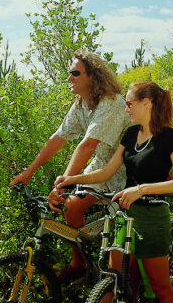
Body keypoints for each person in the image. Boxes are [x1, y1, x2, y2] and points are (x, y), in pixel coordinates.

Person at [55, 81, 173, 303]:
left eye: (130, 104)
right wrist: (71, 179)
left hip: (151, 218)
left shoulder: (171, 138)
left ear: (147, 103)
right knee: (113, 277)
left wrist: (141, 190)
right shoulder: (130, 135)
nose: (126, 109)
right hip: (121, 215)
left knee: (160, 288)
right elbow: (106, 172)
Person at [10, 50, 130, 283]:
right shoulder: (82, 104)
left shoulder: (111, 103)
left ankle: (127, 287)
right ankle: (81, 263)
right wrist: (29, 171)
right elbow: (58, 138)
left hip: (126, 170)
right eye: (69, 73)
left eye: (75, 73)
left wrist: (63, 183)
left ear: (93, 77)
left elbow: (87, 145)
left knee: (122, 235)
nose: (70, 78)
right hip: (101, 166)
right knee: (70, 208)